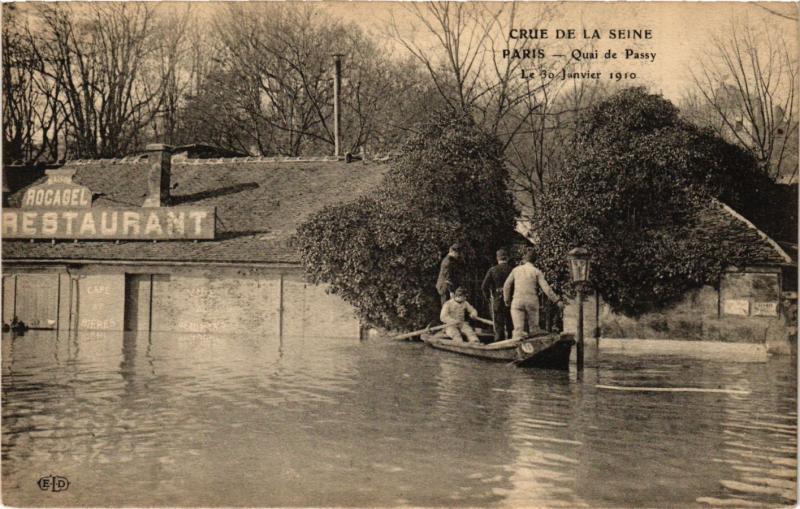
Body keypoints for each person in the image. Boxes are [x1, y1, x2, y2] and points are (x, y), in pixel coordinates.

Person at [502, 249, 565, 340]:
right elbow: (546, 288)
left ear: (524, 259)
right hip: (531, 301)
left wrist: (507, 300)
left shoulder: (516, 270)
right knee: (534, 330)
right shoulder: (536, 271)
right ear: (535, 260)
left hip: (517, 300)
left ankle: (518, 343)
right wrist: (557, 301)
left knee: (518, 330)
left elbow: (506, 285)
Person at [481, 248, 514, 341]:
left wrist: (488, 298)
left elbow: (484, 286)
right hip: (511, 299)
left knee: (498, 324)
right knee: (510, 322)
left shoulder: (493, 270)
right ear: (507, 258)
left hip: (497, 299)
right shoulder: (512, 270)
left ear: (497, 258)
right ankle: (511, 341)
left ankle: (499, 341)